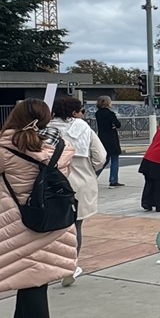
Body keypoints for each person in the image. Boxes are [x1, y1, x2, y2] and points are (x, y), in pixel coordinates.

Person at [0, 98, 76, 318]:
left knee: (32, 281)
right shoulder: (61, 147)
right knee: (32, 277)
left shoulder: (4, 149)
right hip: (52, 220)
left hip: (17, 224)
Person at [48, 96, 106, 287]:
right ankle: (71, 266)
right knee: (76, 226)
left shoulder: (46, 128)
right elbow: (100, 157)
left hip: (52, 181)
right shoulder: (83, 128)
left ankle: (51, 264)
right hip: (81, 180)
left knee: (52, 227)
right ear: (74, 112)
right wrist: (90, 169)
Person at [95, 96, 124, 188]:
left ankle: (94, 176)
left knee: (104, 160)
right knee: (114, 159)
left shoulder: (98, 113)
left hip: (102, 138)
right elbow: (118, 124)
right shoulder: (110, 113)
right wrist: (114, 126)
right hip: (112, 138)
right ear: (107, 103)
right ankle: (113, 180)